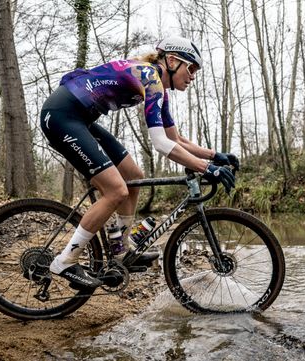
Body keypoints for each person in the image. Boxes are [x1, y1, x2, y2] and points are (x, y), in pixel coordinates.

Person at [40, 36, 239, 289]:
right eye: (191, 69)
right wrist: (207, 168)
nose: (193, 77)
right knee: (116, 190)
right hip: (61, 116)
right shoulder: (150, 77)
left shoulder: (159, 90)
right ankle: (65, 261)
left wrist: (213, 155)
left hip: (82, 119)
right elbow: (161, 144)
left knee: (134, 178)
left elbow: (174, 138)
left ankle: (120, 250)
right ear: (172, 61)